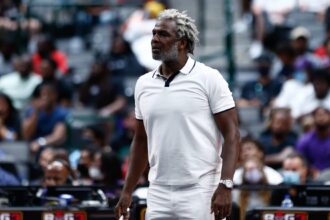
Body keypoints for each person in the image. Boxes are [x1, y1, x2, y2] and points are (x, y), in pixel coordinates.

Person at [115, 9, 240, 220]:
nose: (154, 39)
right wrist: (127, 190)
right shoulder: (143, 83)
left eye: (163, 34)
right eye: (154, 33)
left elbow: (232, 134)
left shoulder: (209, 78)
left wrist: (226, 184)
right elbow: (141, 139)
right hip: (158, 190)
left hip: (201, 189)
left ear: (182, 42)